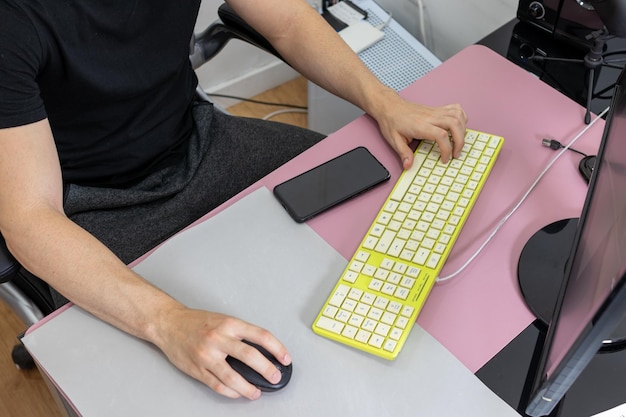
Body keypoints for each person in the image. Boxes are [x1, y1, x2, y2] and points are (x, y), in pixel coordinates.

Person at [0, 0, 467, 401]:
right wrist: (167, 322)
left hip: (203, 138)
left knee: (378, 195)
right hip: (92, 206)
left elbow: (286, 20)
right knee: (175, 387)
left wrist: (383, 100)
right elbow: (29, 216)